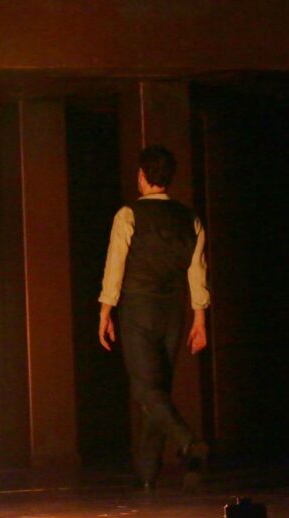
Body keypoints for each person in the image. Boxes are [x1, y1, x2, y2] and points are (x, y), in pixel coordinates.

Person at [98, 145, 210, 491]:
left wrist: (105, 311)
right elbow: (198, 273)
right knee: (157, 390)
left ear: (143, 176)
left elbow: (114, 267)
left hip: (138, 309)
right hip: (173, 312)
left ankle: (188, 442)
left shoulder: (128, 215)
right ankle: (148, 473)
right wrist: (199, 320)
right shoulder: (190, 218)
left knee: (146, 390)